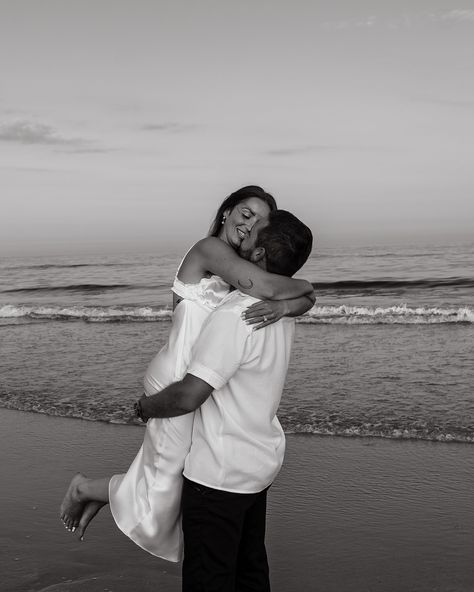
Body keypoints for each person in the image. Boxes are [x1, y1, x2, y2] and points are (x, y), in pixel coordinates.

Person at [60, 187, 315, 560]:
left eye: (260, 221)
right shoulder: (208, 250)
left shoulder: (238, 269)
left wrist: (293, 303)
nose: (249, 225)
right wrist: (305, 292)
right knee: (166, 482)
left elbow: (270, 286)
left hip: (199, 381)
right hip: (175, 380)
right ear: (226, 212)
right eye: (245, 213)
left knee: (174, 478)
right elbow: (268, 286)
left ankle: (92, 493)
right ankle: (85, 490)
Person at [135, 209, 313, 591]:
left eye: (255, 231)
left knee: (209, 580)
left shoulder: (236, 315)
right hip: (258, 464)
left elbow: (189, 395)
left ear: (260, 255)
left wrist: (144, 408)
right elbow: (303, 293)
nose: (245, 234)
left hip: (218, 474)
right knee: (250, 574)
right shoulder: (284, 310)